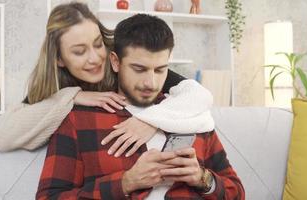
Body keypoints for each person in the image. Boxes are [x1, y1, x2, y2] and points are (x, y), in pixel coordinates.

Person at [36, 13, 244, 199]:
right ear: (115, 62)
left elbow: (237, 192)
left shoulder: (189, 113)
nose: (151, 83)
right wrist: (125, 183)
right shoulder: (80, 120)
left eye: (160, 70)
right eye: (139, 69)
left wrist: (202, 178)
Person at [0, 2, 214, 158]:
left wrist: (151, 120)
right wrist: (73, 96)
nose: (95, 58)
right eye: (79, 52)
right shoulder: (55, 82)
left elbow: (198, 95)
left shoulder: (125, 64)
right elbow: (3, 137)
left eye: (98, 44)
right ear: (59, 58)